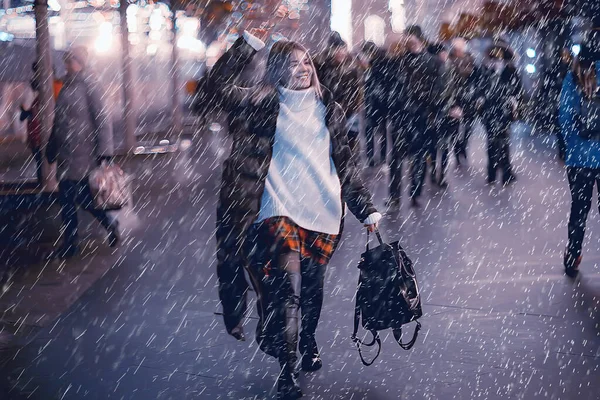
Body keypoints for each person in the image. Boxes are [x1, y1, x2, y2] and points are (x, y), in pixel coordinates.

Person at [208, 16, 382, 399]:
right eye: (291, 64)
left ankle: (307, 340)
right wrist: (248, 42)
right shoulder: (261, 105)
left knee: (312, 289)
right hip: (277, 209)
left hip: (321, 210)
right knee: (286, 289)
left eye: (305, 62)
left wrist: (365, 208)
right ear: (276, 71)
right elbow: (216, 89)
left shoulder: (328, 109)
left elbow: (347, 165)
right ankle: (287, 371)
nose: (301, 69)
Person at [46, 46, 119, 259]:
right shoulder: (65, 87)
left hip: (85, 154)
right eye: (66, 61)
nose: (67, 65)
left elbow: (102, 119)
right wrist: (52, 145)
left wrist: (105, 152)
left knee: (85, 199)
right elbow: (59, 121)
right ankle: (71, 243)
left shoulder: (91, 85)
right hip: (66, 154)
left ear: (81, 62)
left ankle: (110, 224)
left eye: (71, 61)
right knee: (67, 200)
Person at [559, 31, 600, 277]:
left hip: (580, 158)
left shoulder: (572, 77)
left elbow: (564, 116)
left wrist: (572, 146)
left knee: (580, 208)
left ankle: (573, 254)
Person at [397, 25, 444, 207]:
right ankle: (412, 190)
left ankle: (416, 190)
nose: (411, 43)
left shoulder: (433, 62)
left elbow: (438, 89)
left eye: (413, 40)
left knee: (421, 155)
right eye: (408, 40)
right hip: (408, 115)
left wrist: (429, 104)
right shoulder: (402, 62)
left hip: (425, 115)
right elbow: (399, 88)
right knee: (412, 155)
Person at [313, 32, 364, 155]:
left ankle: (349, 168)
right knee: (331, 145)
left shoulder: (351, 66)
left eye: (342, 49)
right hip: (328, 111)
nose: (340, 52)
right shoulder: (321, 65)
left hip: (349, 112)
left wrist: (354, 106)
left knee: (350, 143)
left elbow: (358, 89)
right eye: (337, 49)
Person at [481, 42, 523, 186]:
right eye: (495, 55)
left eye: (501, 56)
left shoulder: (511, 71)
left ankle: (506, 173)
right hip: (490, 112)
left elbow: (517, 88)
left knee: (504, 143)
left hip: (504, 112)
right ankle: (492, 173)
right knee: (492, 143)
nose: (498, 59)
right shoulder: (486, 70)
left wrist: (513, 101)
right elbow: (483, 90)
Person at [449, 39, 484, 165]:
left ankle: (462, 146)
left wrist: (476, 93)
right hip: (455, 98)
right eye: (457, 48)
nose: (459, 51)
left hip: (469, 98)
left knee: (468, 128)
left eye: (460, 48)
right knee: (455, 128)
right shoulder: (450, 60)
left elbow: (478, 78)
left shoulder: (471, 60)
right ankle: (457, 150)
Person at [362, 41, 391, 168]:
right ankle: (371, 157)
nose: (366, 56)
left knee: (380, 131)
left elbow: (380, 84)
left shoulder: (379, 64)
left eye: (367, 53)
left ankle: (381, 157)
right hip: (372, 103)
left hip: (379, 103)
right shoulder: (369, 66)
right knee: (371, 130)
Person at [20, 63, 43, 183]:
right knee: (40, 163)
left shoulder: (45, 96)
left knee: (42, 165)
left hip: (40, 137)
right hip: (36, 137)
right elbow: (31, 115)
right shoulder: (37, 98)